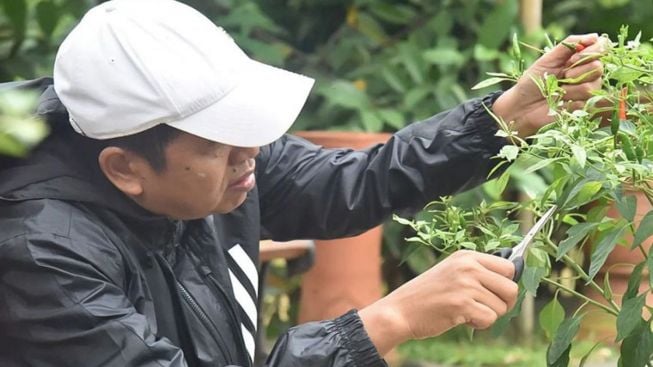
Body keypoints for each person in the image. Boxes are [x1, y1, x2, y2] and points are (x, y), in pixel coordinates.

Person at [0, 0, 604, 366]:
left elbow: (351, 183)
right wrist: (386, 322)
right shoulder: (43, 257)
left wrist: (500, 119)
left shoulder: (217, 169)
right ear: (125, 169)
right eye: (222, 140)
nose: (252, 154)